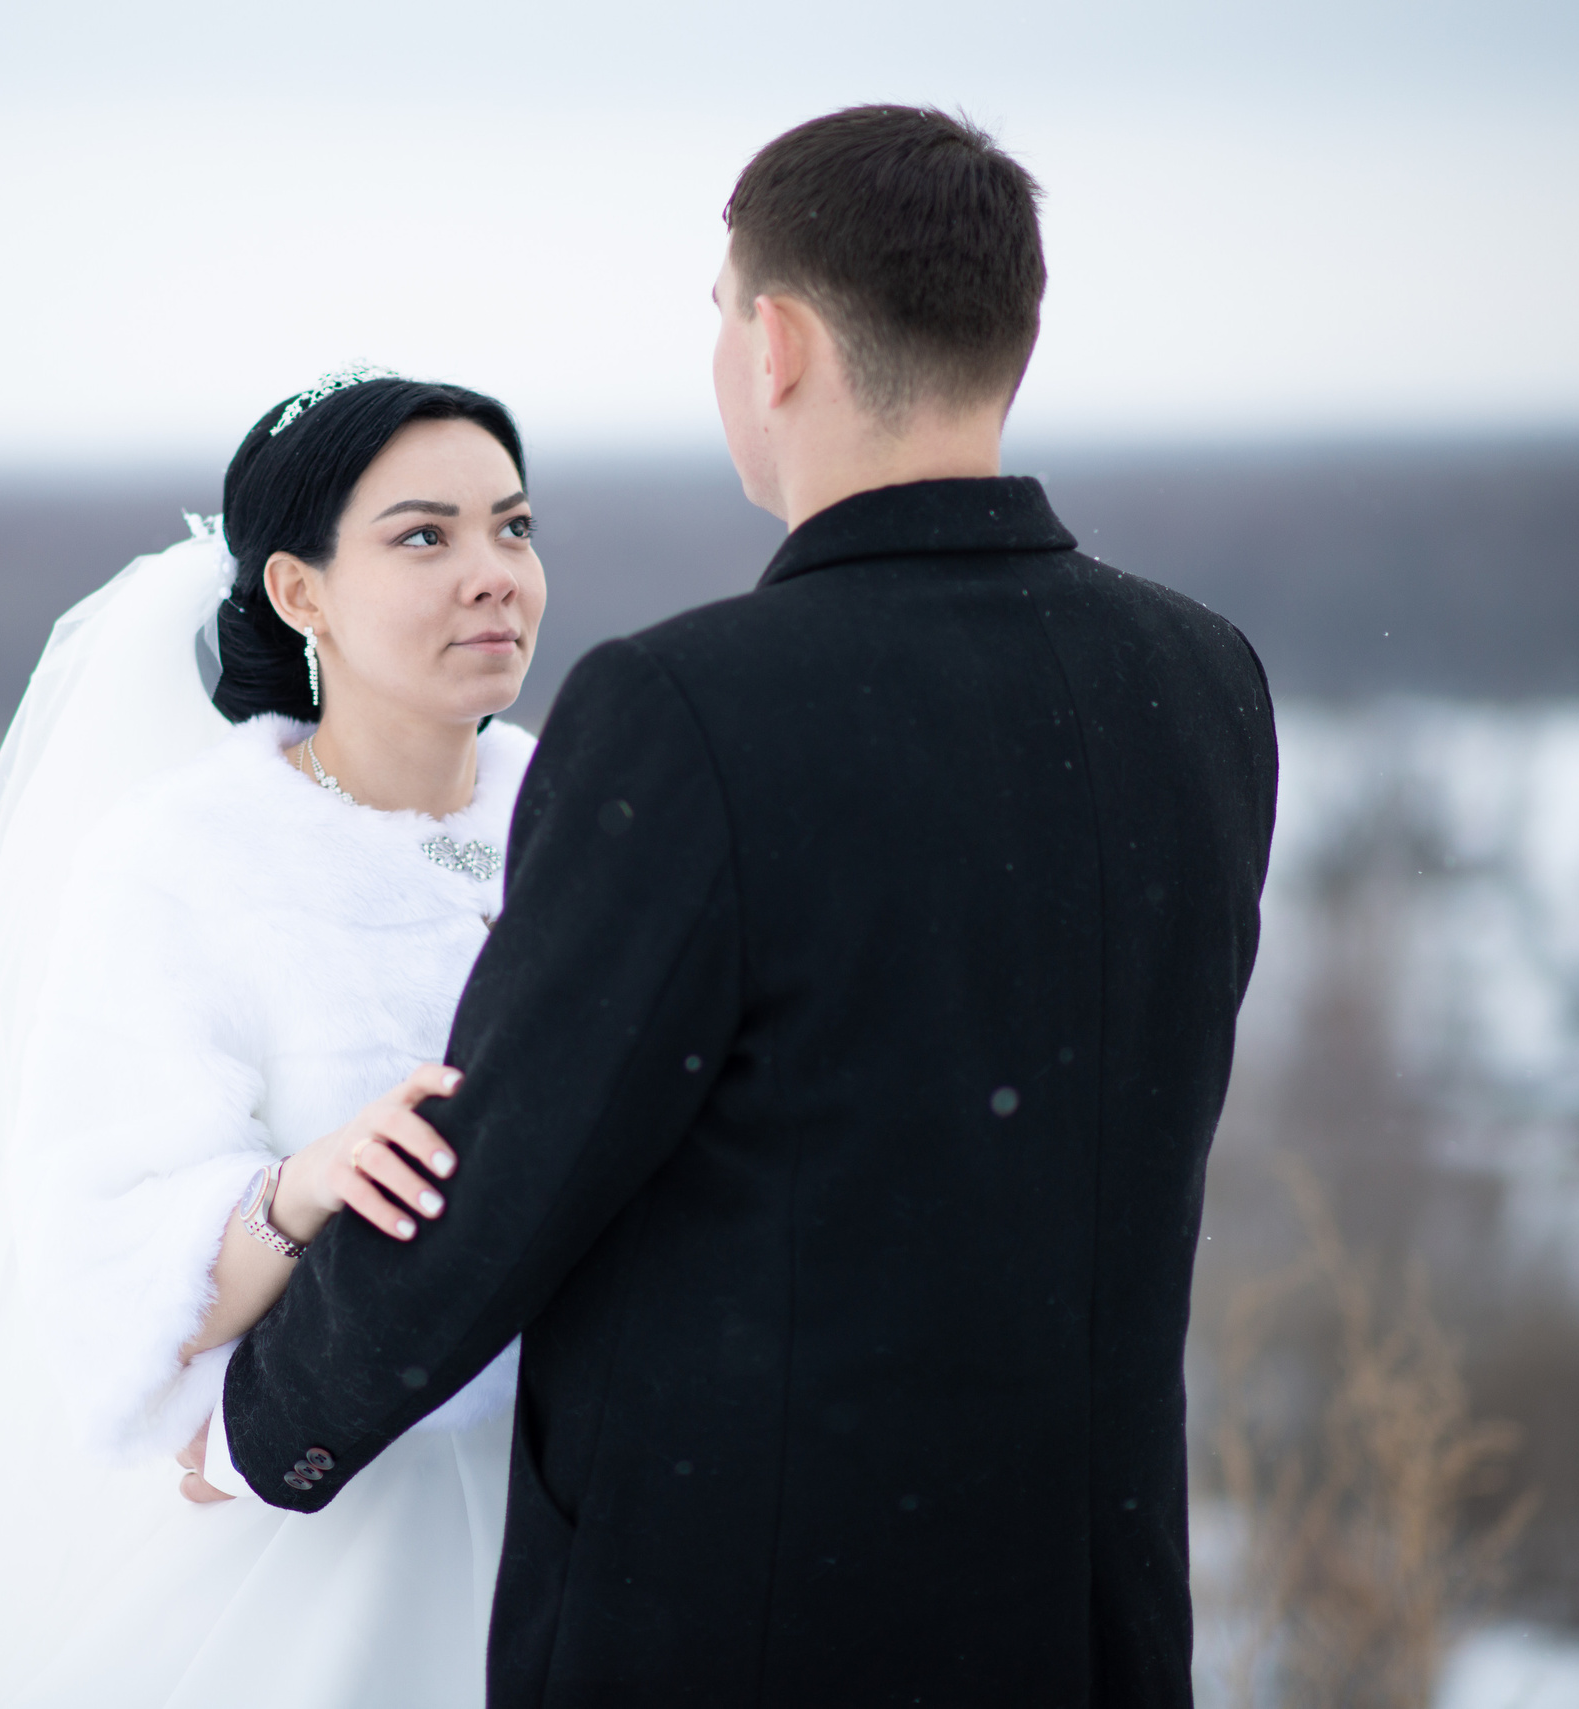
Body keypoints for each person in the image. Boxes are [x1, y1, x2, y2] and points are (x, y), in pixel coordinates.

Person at [195, 105, 1281, 1707]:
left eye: (719, 314)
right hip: (1090, 1617)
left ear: (774, 344)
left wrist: (266, 1421)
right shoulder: (1202, 680)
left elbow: (510, 1162)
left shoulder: (687, 713)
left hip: (750, 1618)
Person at [0, 373, 550, 1707]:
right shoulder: (182, 861)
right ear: (301, 592)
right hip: (307, 1542)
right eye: (425, 536)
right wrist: (298, 1187)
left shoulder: (590, 811)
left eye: (515, 526)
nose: (493, 574)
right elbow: (106, 1258)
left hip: (590, 1508)